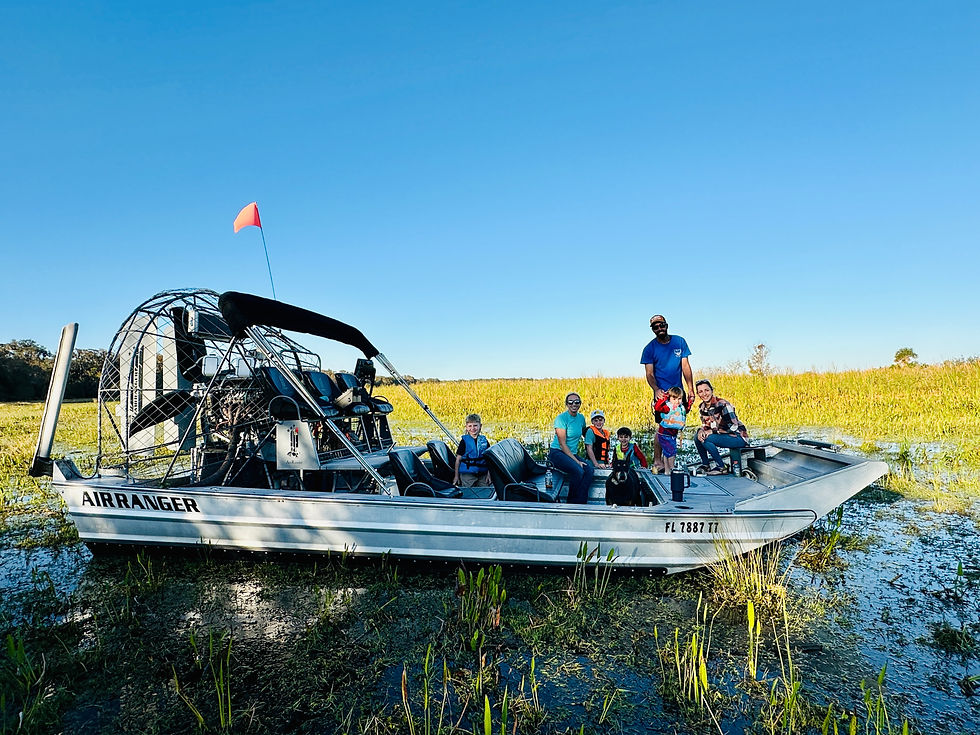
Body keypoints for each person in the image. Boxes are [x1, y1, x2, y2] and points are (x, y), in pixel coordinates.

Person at [641, 315, 694, 472]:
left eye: (661, 325)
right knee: (662, 427)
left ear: (666, 325)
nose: (659, 328)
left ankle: (670, 462)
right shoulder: (649, 349)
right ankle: (658, 461)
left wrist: (690, 388)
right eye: (655, 327)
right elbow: (649, 374)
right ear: (653, 330)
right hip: (662, 394)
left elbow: (685, 366)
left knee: (674, 425)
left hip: (678, 393)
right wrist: (656, 389)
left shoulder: (679, 342)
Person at [694, 379, 749, 475]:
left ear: (712, 390)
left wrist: (713, 432)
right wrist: (701, 431)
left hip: (737, 437)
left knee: (708, 439)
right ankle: (705, 465)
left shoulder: (723, 404)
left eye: (706, 390)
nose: (704, 394)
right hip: (723, 436)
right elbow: (706, 426)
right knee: (698, 437)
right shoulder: (702, 407)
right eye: (700, 391)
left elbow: (733, 426)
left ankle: (721, 467)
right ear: (698, 394)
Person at [548, 392, 594, 504]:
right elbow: (562, 444)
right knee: (578, 470)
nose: (574, 404)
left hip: (571, 454)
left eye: (577, 402)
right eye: (571, 402)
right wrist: (577, 461)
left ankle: (581, 502)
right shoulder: (561, 419)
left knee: (589, 470)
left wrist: (597, 436)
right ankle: (571, 503)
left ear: (580, 404)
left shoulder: (581, 418)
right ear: (567, 404)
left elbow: (584, 433)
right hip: (557, 453)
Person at [653, 386, 686, 475]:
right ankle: (671, 468)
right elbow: (657, 407)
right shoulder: (667, 407)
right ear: (670, 398)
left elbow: (688, 408)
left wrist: (690, 400)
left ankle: (667, 471)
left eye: (679, 399)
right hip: (664, 434)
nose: (677, 401)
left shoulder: (680, 408)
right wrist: (663, 398)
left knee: (667, 452)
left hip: (671, 434)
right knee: (671, 452)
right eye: (674, 398)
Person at [454, 413, 491, 487]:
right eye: (470, 426)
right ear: (466, 427)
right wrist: (456, 476)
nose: (472, 428)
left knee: (484, 492)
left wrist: (489, 475)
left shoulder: (484, 441)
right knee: (469, 493)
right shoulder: (464, 441)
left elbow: (490, 460)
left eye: (475, 425)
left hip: (483, 474)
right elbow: (458, 460)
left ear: (480, 426)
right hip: (467, 475)